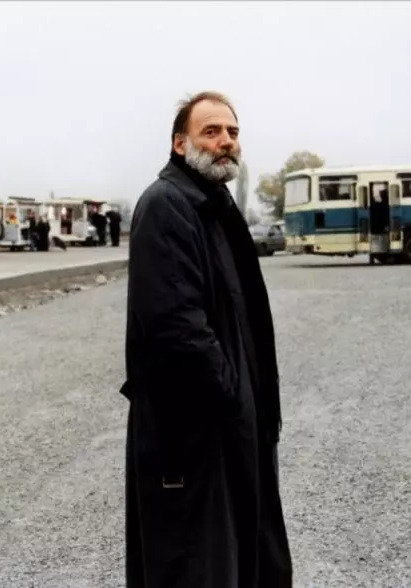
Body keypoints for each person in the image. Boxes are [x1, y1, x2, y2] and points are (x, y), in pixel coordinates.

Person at [123, 91, 292, 587]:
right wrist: (231, 395)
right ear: (180, 144)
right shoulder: (166, 205)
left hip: (227, 425)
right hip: (194, 430)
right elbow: (176, 325)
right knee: (196, 564)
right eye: (211, 131)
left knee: (237, 556)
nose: (226, 142)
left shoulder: (212, 204)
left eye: (232, 133)